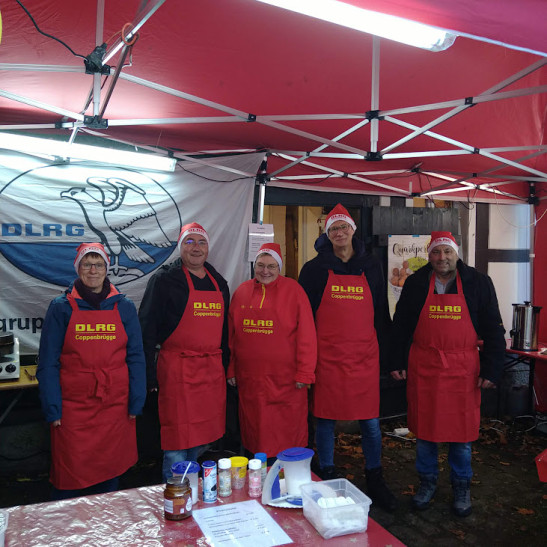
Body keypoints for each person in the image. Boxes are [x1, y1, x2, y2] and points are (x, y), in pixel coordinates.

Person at [389, 231, 505, 517]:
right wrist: (395, 360)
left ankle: (461, 485)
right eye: (436, 252)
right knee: (425, 433)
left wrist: (492, 368)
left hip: (463, 369)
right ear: (429, 256)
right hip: (425, 366)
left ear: (456, 254)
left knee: (460, 435)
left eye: (447, 252)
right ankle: (427, 482)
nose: (442, 258)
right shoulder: (416, 283)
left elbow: (493, 328)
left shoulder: (478, 282)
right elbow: (401, 325)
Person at [298, 203, 397, 512]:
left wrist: (391, 359)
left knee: (370, 422)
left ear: (353, 230)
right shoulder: (313, 269)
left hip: (364, 357)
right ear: (327, 234)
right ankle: (327, 472)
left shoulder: (372, 265)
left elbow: (381, 312)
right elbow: (303, 318)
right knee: (325, 419)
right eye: (333, 229)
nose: (339, 232)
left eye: (344, 227)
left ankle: (375, 475)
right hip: (327, 357)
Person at [37, 243, 146, 500]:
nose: (93, 270)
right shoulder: (61, 307)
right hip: (73, 410)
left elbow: (136, 357)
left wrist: (136, 401)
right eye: (87, 264)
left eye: (98, 264)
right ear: (78, 269)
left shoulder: (124, 306)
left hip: (115, 407)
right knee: (69, 480)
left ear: (107, 269)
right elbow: (48, 362)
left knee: (109, 476)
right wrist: (53, 408)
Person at [139, 222, 230, 482]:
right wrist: (148, 375)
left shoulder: (219, 283)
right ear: (181, 247)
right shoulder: (163, 280)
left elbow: (225, 333)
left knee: (202, 439)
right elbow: (146, 329)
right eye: (189, 242)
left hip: (210, 373)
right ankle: (175, 493)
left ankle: (193, 491)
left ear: (208, 248)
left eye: (201, 242)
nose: (196, 248)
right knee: (177, 441)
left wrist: (225, 368)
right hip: (177, 371)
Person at [227, 243, 316, 459]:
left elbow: (307, 335)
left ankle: (288, 471)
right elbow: (231, 336)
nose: (265, 271)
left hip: (287, 382)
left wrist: (305, 373)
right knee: (255, 431)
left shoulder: (294, 291)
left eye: (271, 266)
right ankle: (258, 472)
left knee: (288, 435)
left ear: (279, 268)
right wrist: (231, 369)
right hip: (251, 381)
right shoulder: (241, 292)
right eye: (260, 265)